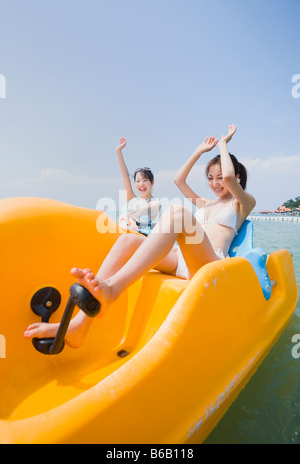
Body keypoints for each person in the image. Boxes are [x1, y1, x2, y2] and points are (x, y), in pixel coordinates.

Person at [24, 125, 256, 348]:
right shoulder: (205, 203)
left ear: (236, 177)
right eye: (210, 178)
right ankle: (79, 326)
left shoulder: (242, 203)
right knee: (128, 240)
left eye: (219, 178)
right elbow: (179, 181)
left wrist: (223, 145)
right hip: (181, 259)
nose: (216, 183)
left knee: (177, 213)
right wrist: (199, 151)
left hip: (209, 263)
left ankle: (112, 289)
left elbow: (227, 178)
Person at [116, 138, 161, 235]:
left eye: (145, 180)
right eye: (138, 181)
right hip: (121, 237)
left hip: (139, 241)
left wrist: (130, 216)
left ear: (152, 182)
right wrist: (118, 151)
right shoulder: (131, 199)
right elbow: (125, 175)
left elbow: (152, 207)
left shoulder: (155, 204)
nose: (141, 184)